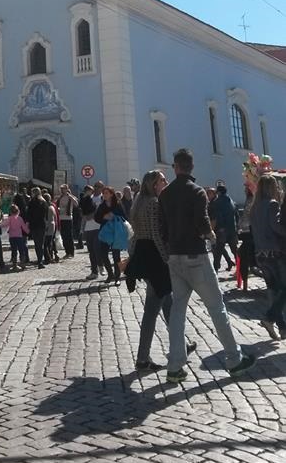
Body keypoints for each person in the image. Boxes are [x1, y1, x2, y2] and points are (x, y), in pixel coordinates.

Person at [159, 148, 255, 383]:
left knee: (178, 311)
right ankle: (234, 359)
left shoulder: (165, 193)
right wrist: (210, 235)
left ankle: (175, 366)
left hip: (175, 256)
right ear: (191, 167)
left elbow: (162, 227)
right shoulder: (197, 191)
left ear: (175, 167)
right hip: (195, 256)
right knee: (216, 308)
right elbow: (202, 221)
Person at [126, 170, 196, 371]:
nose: (166, 182)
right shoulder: (154, 204)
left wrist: (132, 256)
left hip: (143, 254)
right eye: (163, 180)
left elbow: (135, 234)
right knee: (152, 310)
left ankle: (181, 345)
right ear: (154, 184)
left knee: (167, 303)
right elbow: (157, 235)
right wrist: (167, 260)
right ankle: (142, 358)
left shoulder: (139, 202)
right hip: (155, 258)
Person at [249, 174, 286, 339]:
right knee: (283, 290)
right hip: (273, 253)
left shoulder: (255, 206)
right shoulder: (272, 204)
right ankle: (270, 317)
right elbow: (276, 227)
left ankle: (281, 326)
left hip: (260, 254)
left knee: (274, 290)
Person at [94, 186, 126, 284]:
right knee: (103, 254)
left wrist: (114, 216)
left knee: (116, 256)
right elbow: (96, 218)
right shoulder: (101, 205)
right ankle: (110, 274)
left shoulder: (118, 204)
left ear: (111, 194)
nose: (104, 195)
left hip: (116, 232)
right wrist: (104, 217)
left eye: (106, 193)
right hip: (105, 232)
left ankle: (117, 277)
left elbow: (124, 216)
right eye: (103, 193)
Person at [209, 183, 239, 273]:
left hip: (222, 230)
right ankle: (240, 266)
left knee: (218, 250)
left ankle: (216, 269)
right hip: (232, 229)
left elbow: (217, 216)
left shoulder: (217, 202)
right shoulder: (231, 201)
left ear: (218, 192)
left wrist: (217, 227)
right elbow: (236, 215)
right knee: (234, 250)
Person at [81, 182, 104, 279]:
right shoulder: (89, 198)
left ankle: (101, 266)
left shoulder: (103, 198)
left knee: (97, 249)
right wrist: (85, 217)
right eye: (95, 186)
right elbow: (82, 210)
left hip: (99, 226)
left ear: (102, 188)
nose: (96, 188)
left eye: (99, 186)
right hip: (88, 227)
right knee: (91, 250)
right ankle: (94, 272)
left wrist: (94, 214)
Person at [2, 204, 29, 270]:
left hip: (12, 237)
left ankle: (14, 265)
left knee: (14, 251)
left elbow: (4, 224)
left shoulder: (10, 218)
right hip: (19, 236)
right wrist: (28, 232)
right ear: (18, 211)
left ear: (10, 212)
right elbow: (24, 227)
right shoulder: (20, 218)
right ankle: (22, 263)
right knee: (21, 250)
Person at [27, 187, 48, 269]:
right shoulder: (43, 201)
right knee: (41, 244)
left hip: (34, 225)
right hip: (42, 224)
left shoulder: (31, 202)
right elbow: (46, 214)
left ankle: (39, 260)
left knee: (37, 244)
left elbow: (28, 214)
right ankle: (40, 261)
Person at [57, 185, 77, 258]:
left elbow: (76, 204)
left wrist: (71, 197)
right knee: (63, 236)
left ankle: (71, 252)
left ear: (67, 189)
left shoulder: (70, 197)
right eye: (61, 189)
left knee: (69, 236)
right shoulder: (60, 197)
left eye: (63, 189)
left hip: (68, 218)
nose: (62, 190)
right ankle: (67, 252)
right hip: (61, 218)